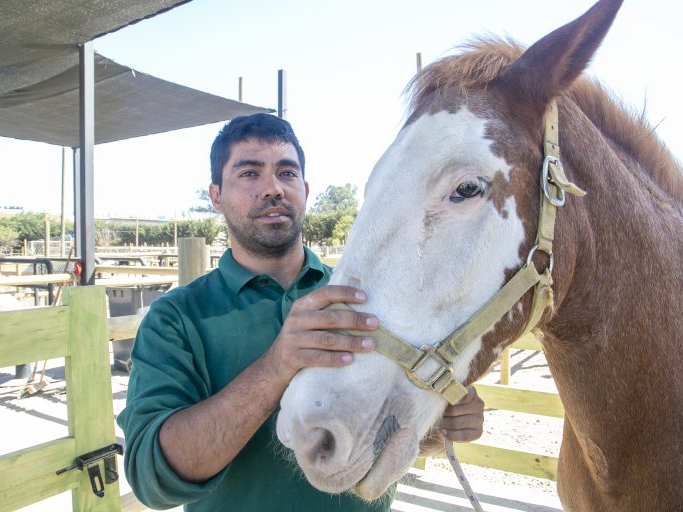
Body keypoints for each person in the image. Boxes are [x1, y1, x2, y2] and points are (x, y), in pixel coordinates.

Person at [117, 113, 485, 511]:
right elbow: (152, 480)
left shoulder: (361, 298)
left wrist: (440, 426)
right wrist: (275, 367)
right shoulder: (177, 317)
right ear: (216, 196)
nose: (273, 188)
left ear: (305, 190)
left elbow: (385, 430)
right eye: (249, 174)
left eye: (286, 173)